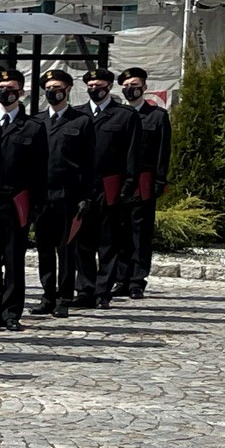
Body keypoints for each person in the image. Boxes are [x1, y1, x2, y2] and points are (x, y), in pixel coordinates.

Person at [0, 67, 45, 331]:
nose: (7, 93)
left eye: (12, 88)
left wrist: (37, 204)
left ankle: (11, 311)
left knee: (14, 259)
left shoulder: (32, 126)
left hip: (16, 201)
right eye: (2, 88)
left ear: (21, 92)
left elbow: (39, 168)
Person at [75, 64, 138, 310]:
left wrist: (127, 187)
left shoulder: (124, 115)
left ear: (109, 87)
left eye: (99, 87)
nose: (94, 90)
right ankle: (85, 288)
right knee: (82, 242)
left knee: (108, 241)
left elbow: (132, 154)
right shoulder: (79, 115)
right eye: (90, 87)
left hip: (109, 184)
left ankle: (103, 291)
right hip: (83, 187)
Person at [34, 68, 91, 319]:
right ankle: (47, 295)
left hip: (68, 193)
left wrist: (86, 196)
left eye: (57, 87)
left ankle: (65, 297)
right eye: (48, 88)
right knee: (44, 248)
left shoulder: (80, 121)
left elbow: (89, 162)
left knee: (66, 248)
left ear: (67, 90)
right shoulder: (36, 121)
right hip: (42, 193)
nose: (52, 92)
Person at [118, 68, 172, 298]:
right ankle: (120, 278)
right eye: (127, 85)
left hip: (143, 180)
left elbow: (163, 150)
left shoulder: (157, 116)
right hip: (119, 182)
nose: (131, 88)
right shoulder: (117, 115)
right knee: (119, 230)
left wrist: (160, 179)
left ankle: (137, 280)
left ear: (144, 88)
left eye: (135, 84)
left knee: (140, 230)